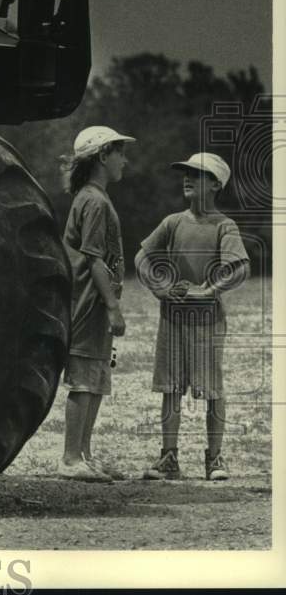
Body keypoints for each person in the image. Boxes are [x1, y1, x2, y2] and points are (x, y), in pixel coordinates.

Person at [136, 153, 250, 481]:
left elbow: (241, 266)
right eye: (185, 173)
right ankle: (168, 458)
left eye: (198, 174)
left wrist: (208, 290)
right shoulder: (173, 222)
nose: (187, 178)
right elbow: (141, 256)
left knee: (212, 390)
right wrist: (158, 286)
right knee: (171, 389)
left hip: (207, 323)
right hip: (171, 319)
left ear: (216, 184)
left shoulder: (224, 225)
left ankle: (214, 459)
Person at [57, 126, 135, 482]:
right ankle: (70, 458)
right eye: (120, 152)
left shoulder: (97, 198)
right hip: (88, 303)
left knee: (97, 377)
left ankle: (85, 456)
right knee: (85, 379)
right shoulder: (94, 201)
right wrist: (111, 306)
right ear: (103, 155)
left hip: (96, 303)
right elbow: (93, 259)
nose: (125, 160)